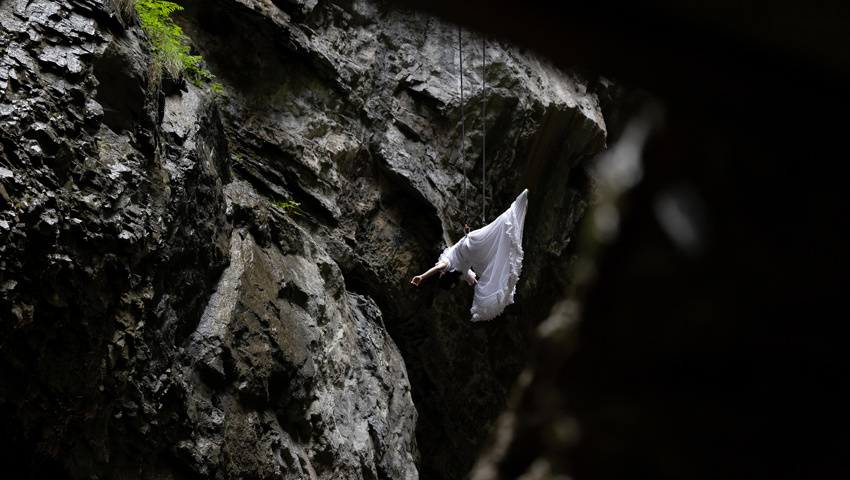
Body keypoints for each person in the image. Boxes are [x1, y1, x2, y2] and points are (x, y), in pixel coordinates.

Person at [411, 189, 529, 321]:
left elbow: (475, 284)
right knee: (497, 227)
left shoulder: (462, 274)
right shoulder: (448, 264)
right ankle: (519, 203)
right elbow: (438, 268)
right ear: (443, 275)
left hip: (478, 253)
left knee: (499, 242)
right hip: (471, 242)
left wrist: (489, 295)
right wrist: (421, 276)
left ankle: (521, 204)